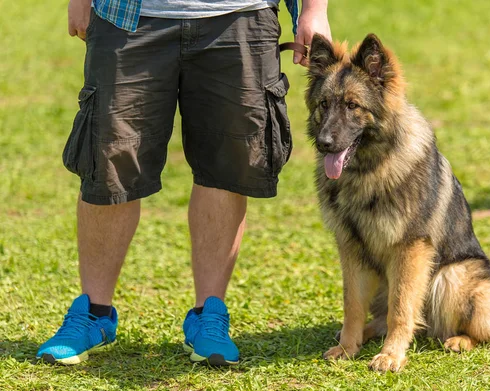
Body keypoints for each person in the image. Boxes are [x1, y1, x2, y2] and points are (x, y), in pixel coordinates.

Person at [36, 0, 330, 366]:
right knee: (108, 163)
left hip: (241, 15)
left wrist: (314, 10)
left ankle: (209, 316)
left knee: (226, 168)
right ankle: (93, 314)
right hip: (128, 15)